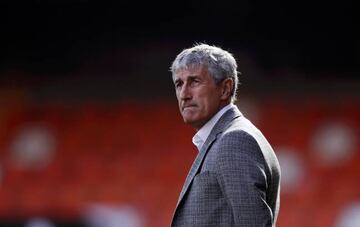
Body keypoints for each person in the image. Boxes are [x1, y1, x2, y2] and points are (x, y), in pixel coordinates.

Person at [170, 43, 281, 227]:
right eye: (179, 84)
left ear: (225, 88)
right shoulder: (228, 137)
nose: (184, 94)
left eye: (194, 81)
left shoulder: (234, 140)